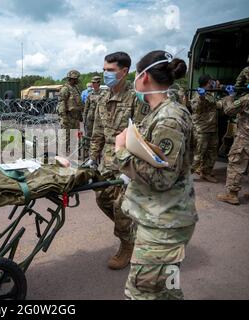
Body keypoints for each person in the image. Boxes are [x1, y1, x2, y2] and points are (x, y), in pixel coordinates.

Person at [114, 51, 197, 300]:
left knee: (140, 294)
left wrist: (121, 152)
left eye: (136, 75)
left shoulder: (168, 118)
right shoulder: (160, 112)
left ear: (145, 77)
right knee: (167, 291)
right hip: (162, 220)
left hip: (163, 227)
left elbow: (162, 179)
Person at [86, 52, 149, 270]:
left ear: (124, 72)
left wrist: (132, 169)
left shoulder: (136, 98)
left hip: (128, 164)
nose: (106, 74)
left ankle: (127, 246)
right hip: (107, 163)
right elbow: (97, 132)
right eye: (104, 70)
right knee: (102, 199)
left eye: (110, 70)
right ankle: (133, 233)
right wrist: (92, 158)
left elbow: (143, 136)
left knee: (122, 208)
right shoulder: (102, 98)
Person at [217, 90, 249, 205]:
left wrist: (230, 97)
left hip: (244, 139)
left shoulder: (246, 99)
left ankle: (232, 194)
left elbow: (229, 110)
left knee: (235, 164)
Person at [190, 75, 223, 182]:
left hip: (212, 128)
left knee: (212, 153)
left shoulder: (211, 94)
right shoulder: (198, 94)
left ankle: (206, 173)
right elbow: (196, 109)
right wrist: (201, 97)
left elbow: (217, 105)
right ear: (208, 82)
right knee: (198, 154)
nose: (214, 83)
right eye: (212, 82)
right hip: (202, 129)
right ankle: (185, 175)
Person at [57, 70, 83, 154]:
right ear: (71, 79)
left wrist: (80, 116)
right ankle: (62, 155)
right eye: (76, 79)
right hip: (67, 118)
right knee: (65, 137)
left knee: (74, 137)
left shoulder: (76, 88)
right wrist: (63, 118)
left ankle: (72, 154)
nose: (77, 80)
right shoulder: (65, 89)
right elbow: (62, 103)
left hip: (75, 118)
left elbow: (78, 103)